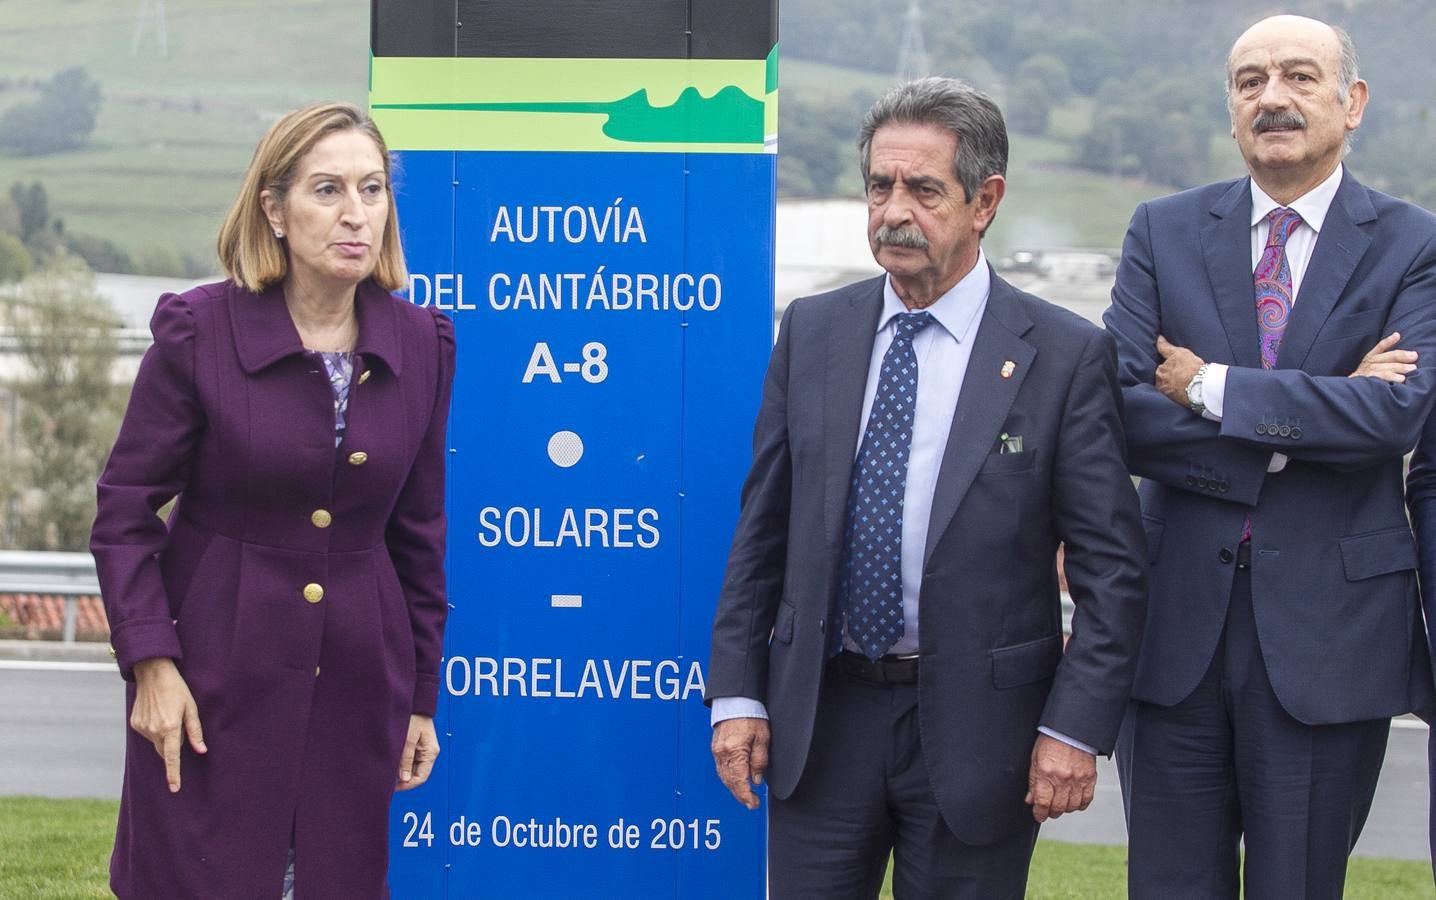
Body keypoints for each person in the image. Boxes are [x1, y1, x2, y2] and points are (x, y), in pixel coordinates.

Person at [705, 77, 1148, 899]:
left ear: (985, 200)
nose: (893, 209)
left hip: (985, 740)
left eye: (922, 189)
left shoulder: (1064, 355)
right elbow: (762, 530)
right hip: (822, 723)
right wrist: (736, 691)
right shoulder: (812, 330)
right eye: (879, 186)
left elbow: (1113, 573)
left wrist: (1073, 728)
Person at [1104, 15, 1436, 899]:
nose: (1273, 98)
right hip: (1175, 635)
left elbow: (1395, 414)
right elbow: (1122, 413)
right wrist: (1310, 424)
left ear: (1352, 101)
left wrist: (1212, 388)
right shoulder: (1162, 231)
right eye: (1250, 81)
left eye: (1297, 76)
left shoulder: (1413, 242)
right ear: (1230, 108)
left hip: (1331, 640)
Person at [90, 102, 455, 899]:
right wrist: (151, 664)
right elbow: (123, 512)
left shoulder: (424, 342)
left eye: (371, 189)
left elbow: (419, 534)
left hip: (359, 688)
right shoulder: (198, 331)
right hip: (209, 684)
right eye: (327, 190)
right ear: (274, 209)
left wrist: (420, 698)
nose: (355, 214)